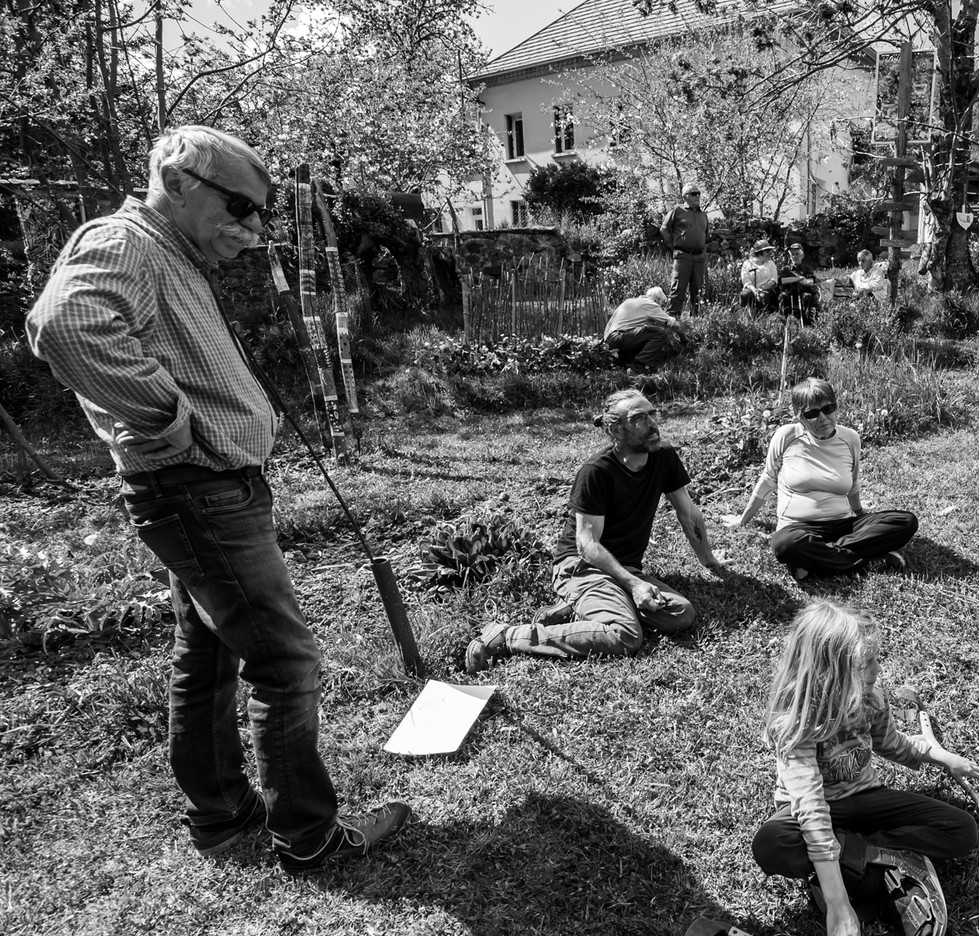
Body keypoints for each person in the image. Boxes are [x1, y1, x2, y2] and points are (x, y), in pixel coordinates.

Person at [25, 125, 410, 871]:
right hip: (197, 490)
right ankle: (309, 836)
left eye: (260, 211)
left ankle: (222, 816)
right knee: (286, 662)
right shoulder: (127, 239)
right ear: (177, 178)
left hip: (203, 490)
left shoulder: (172, 254)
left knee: (205, 655)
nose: (253, 227)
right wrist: (167, 419)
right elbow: (67, 327)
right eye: (240, 205)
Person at [752, 601, 979, 936]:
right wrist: (838, 905)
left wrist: (941, 757)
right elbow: (811, 812)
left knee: (962, 830)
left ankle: (869, 869)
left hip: (867, 799)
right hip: (814, 816)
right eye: (866, 663)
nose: (878, 669)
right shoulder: (797, 722)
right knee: (773, 843)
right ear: (831, 673)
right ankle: (879, 872)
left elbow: (893, 744)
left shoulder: (870, 697)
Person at [465, 389, 720, 670]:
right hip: (580, 566)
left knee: (681, 613)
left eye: (652, 414)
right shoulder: (596, 472)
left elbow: (689, 515)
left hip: (624, 567)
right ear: (615, 429)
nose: (652, 423)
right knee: (625, 635)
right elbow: (587, 545)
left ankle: (579, 610)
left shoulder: (663, 456)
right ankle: (507, 636)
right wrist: (634, 584)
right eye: (639, 418)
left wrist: (709, 561)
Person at [722, 377, 918, 581]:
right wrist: (743, 520)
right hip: (798, 527)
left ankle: (818, 561)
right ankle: (863, 564)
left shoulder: (850, 438)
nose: (823, 417)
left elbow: (852, 483)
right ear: (799, 416)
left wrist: (860, 513)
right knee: (784, 545)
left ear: (836, 407)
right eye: (812, 413)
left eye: (828, 408)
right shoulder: (787, 436)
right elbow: (768, 480)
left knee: (906, 522)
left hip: (842, 524)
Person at [602, 286, 686, 371]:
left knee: (645, 337)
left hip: (609, 340)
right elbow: (675, 325)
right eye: (662, 304)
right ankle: (638, 367)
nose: (661, 308)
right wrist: (685, 340)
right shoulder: (650, 305)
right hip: (620, 336)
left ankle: (622, 362)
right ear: (657, 299)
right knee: (660, 333)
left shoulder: (631, 301)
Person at [660, 185, 709, 316]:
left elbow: (705, 236)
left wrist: (703, 257)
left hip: (699, 258)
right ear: (685, 196)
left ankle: (696, 320)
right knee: (678, 289)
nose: (697, 196)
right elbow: (664, 229)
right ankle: (672, 319)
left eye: (698, 193)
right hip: (682, 256)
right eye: (693, 193)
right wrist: (674, 245)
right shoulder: (677, 210)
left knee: (698, 291)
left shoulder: (703, 215)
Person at [778, 240, 820, 325]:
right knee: (782, 296)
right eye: (792, 255)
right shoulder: (786, 269)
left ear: (802, 255)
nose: (794, 257)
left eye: (797, 254)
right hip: (789, 294)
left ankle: (808, 323)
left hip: (803, 293)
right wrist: (799, 279)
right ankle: (782, 323)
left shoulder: (807, 268)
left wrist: (794, 280)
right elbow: (782, 280)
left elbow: (810, 281)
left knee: (808, 297)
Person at [738, 240, 780, 313]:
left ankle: (763, 319)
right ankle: (744, 316)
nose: (769, 253)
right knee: (745, 294)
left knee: (762, 297)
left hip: (767, 290)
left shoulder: (771, 263)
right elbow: (746, 280)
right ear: (760, 252)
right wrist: (755, 291)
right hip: (752, 290)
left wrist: (761, 288)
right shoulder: (747, 264)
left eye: (769, 251)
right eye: (767, 251)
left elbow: (774, 280)